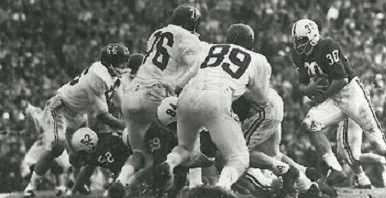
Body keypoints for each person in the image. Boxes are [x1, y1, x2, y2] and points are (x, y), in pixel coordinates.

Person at [291, 18, 386, 196]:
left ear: (312, 36)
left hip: (351, 93)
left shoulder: (327, 46)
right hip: (332, 97)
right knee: (309, 124)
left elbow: (341, 80)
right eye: (297, 40)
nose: (299, 45)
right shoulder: (299, 55)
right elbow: (302, 85)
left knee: (378, 144)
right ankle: (335, 168)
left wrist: (320, 96)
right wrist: (309, 89)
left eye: (302, 40)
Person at [153, 23, 271, 198]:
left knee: (186, 149)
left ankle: (170, 163)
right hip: (217, 98)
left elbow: (181, 83)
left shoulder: (207, 48)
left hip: (187, 96)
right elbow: (262, 99)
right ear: (250, 43)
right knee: (239, 157)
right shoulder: (258, 59)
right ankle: (222, 187)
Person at [111, 4, 203, 197]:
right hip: (156, 94)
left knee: (141, 155)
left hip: (132, 95)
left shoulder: (157, 34)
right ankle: (195, 186)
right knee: (192, 139)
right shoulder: (189, 37)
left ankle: (122, 180)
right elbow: (196, 66)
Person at [23, 43, 128, 197]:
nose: (123, 65)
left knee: (81, 154)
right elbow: (102, 115)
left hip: (79, 114)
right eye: (120, 61)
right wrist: (124, 126)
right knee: (57, 147)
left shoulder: (112, 77)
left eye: (124, 61)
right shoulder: (99, 76)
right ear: (109, 62)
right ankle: (30, 187)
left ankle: (78, 185)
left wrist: (130, 122)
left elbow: (122, 105)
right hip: (59, 109)